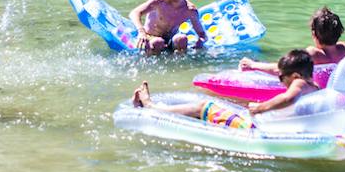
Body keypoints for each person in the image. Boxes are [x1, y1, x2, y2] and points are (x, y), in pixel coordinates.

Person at [132, 49, 320, 128]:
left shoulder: (299, 83)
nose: (280, 81)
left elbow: (289, 98)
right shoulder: (315, 86)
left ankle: (151, 106)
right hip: (275, 126)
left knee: (204, 106)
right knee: (222, 105)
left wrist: (260, 107)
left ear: (295, 75)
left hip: (258, 128)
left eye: (281, 77)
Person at [238, 6, 345, 74]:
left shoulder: (313, 54)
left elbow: (282, 69)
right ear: (340, 32)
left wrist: (252, 65)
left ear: (314, 34)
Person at [128, 0, 208, 54]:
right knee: (158, 42)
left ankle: (181, 65)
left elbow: (203, 35)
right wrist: (141, 32)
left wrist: (200, 41)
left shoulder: (190, 11)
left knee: (182, 39)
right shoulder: (159, 2)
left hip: (170, 40)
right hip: (150, 37)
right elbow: (135, 13)